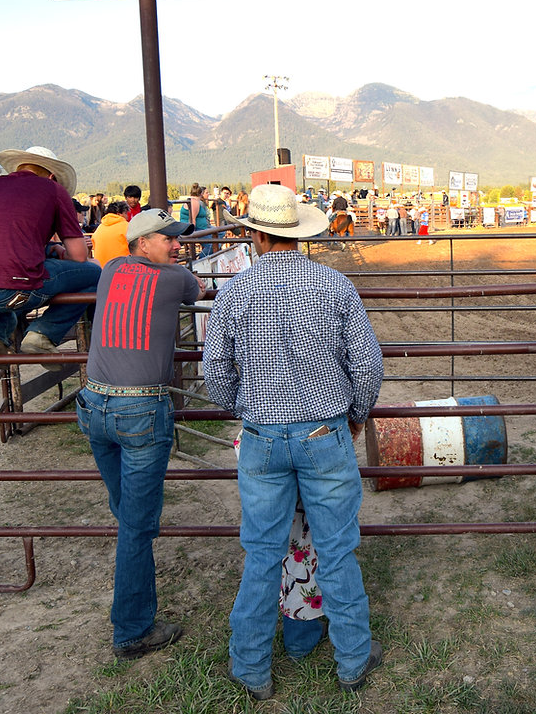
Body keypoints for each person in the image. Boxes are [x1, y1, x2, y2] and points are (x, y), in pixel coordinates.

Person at [203, 184, 384, 699]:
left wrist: (247, 407)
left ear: (254, 234)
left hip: (262, 436)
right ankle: (352, 658)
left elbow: (216, 372)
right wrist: (354, 414)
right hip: (323, 431)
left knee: (261, 552)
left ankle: (251, 664)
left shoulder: (234, 291)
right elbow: (367, 366)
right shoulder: (334, 286)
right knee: (338, 549)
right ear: (297, 233)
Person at [76, 208, 203, 659]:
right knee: (136, 525)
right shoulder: (176, 280)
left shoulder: (111, 269)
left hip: (95, 406)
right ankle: (131, 630)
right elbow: (198, 289)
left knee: (127, 513)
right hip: (140, 410)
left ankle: (133, 585)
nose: (177, 246)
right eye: (168, 239)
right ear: (143, 242)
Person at [0, 146, 102, 369]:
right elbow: (78, 255)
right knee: (93, 274)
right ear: (51, 176)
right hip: (14, 289)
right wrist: (62, 252)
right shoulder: (52, 189)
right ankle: (43, 334)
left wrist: (51, 249)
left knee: (2, 282)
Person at [91, 201, 129, 267]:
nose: (127, 216)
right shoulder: (127, 226)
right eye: (126, 213)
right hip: (122, 270)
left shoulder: (99, 228)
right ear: (119, 214)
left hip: (102, 270)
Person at [179, 183, 212, 257]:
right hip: (196, 229)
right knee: (212, 244)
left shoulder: (192, 201)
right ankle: (201, 259)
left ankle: (202, 257)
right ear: (201, 194)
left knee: (217, 236)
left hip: (199, 228)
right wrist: (193, 234)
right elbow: (193, 219)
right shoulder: (194, 202)